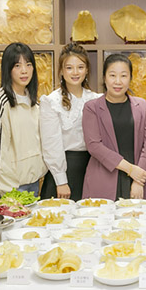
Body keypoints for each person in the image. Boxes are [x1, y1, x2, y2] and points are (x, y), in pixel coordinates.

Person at [82, 53, 146, 200]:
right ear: (104, 77)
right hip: (104, 179)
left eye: (123, 76)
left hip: (137, 180)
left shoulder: (141, 105)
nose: (118, 81)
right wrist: (130, 169)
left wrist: (138, 179)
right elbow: (94, 146)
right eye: (112, 75)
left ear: (130, 78)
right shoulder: (92, 107)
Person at [0, 43, 47, 196]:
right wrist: (7, 189)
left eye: (28, 64)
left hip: (33, 183)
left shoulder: (34, 102)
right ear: (8, 69)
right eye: (17, 65)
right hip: (10, 187)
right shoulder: (1, 101)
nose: (24, 70)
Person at [40, 43, 101, 201]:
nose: (75, 72)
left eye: (80, 67)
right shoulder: (52, 101)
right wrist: (61, 180)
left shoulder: (96, 99)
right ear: (61, 70)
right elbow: (51, 144)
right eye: (69, 68)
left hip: (92, 169)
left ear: (87, 70)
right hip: (65, 171)